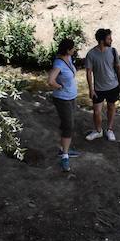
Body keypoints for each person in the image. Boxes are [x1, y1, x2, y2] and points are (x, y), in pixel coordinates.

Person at [84, 28, 120, 142]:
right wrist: (91, 89)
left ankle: (109, 130)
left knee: (111, 108)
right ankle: (98, 131)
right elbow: (88, 72)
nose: (111, 39)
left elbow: (118, 67)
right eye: (109, 38)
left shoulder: (113, 51)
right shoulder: (91, 54)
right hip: (98, 89)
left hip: (113, 86)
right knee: (96, 112)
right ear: (102, 40)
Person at [47, 38, 78, 172]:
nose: (75, 50)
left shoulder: (68, 58)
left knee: (67, 123)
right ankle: (64, 155)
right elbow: (50, 80)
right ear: (67, 50)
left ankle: (63, 148)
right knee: (69, 126)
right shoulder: (59, 63)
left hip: (71, 97)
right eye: (73, 48)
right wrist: (59, 86)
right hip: (63, 99)